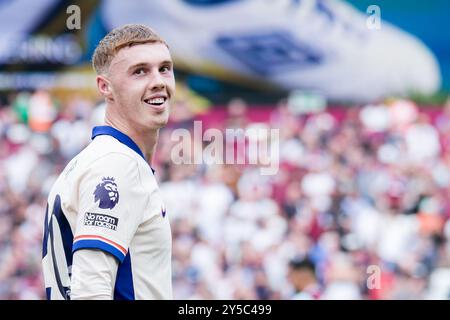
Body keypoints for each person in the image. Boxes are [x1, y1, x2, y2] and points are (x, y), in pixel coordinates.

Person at [41, 24, 175, 300]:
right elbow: (90, 292)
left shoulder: (95, 159)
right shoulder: (117, 164)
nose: (159, 80)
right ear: (105, 87)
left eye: (164, 68)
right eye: (140, 71)